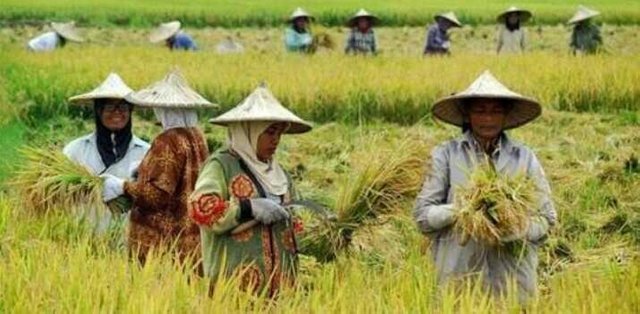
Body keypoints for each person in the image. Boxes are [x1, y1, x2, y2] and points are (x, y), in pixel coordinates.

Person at [414, 70, 557, 304]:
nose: (488, 118)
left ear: (506, 115)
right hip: (459, 286)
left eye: (495, 111)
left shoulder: (524, 158)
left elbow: (547, 219)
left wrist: (517, 228)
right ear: (467, 115)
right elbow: (422, 217)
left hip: (513, 288)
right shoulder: (445, 155)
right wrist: (460, 210)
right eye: (480, 111)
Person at [189, 84, 312, 296]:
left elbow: (297, 224)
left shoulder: (279, 174)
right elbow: (200, 208)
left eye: (279, 133)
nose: (276, 140)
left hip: (282, 292)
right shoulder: (222, 165)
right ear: (249, 131)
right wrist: (248, 208)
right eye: (270, 132)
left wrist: (318, 234)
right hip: (235, 291)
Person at [101, 69, 217, 268]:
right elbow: (181, 178)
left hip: (164, 246)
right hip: (191, 237)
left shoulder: (167, 140)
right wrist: (145, 169)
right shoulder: (197, 137)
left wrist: (122, 186)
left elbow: (156, 196)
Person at [64, 73, 149, 235]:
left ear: (130, 111)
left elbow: (155, 196)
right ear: (98, 110)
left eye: (123, 107)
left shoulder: (146, 152)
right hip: (83, 239)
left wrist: (124, 188)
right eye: (110, 107)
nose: (117, 112)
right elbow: (59, 195)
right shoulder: (75, 150)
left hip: (129, 242)